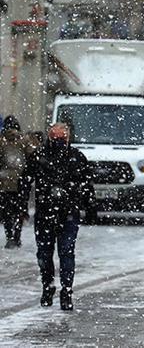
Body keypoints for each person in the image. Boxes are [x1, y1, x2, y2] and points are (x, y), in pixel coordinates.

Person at [26, 123, 93, 310]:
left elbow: (87, 185)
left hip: (62, 213)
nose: (59, 141)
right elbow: (25, 181)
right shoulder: (43, 157)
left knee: (59, 253)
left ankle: (62, 289)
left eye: (61, 138)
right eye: (57, 137)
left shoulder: (72, 158)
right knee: (53, 254)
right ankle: (54, 288)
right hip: (53, 213)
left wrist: (87, 204)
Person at [0, 116, 31, 248]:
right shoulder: (24, 140)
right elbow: (31, 158)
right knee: (20, 209)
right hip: (21, 181)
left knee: (6, 211)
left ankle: (9, 237)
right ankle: (17, 235)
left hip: (4, 181)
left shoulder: (1, 141)